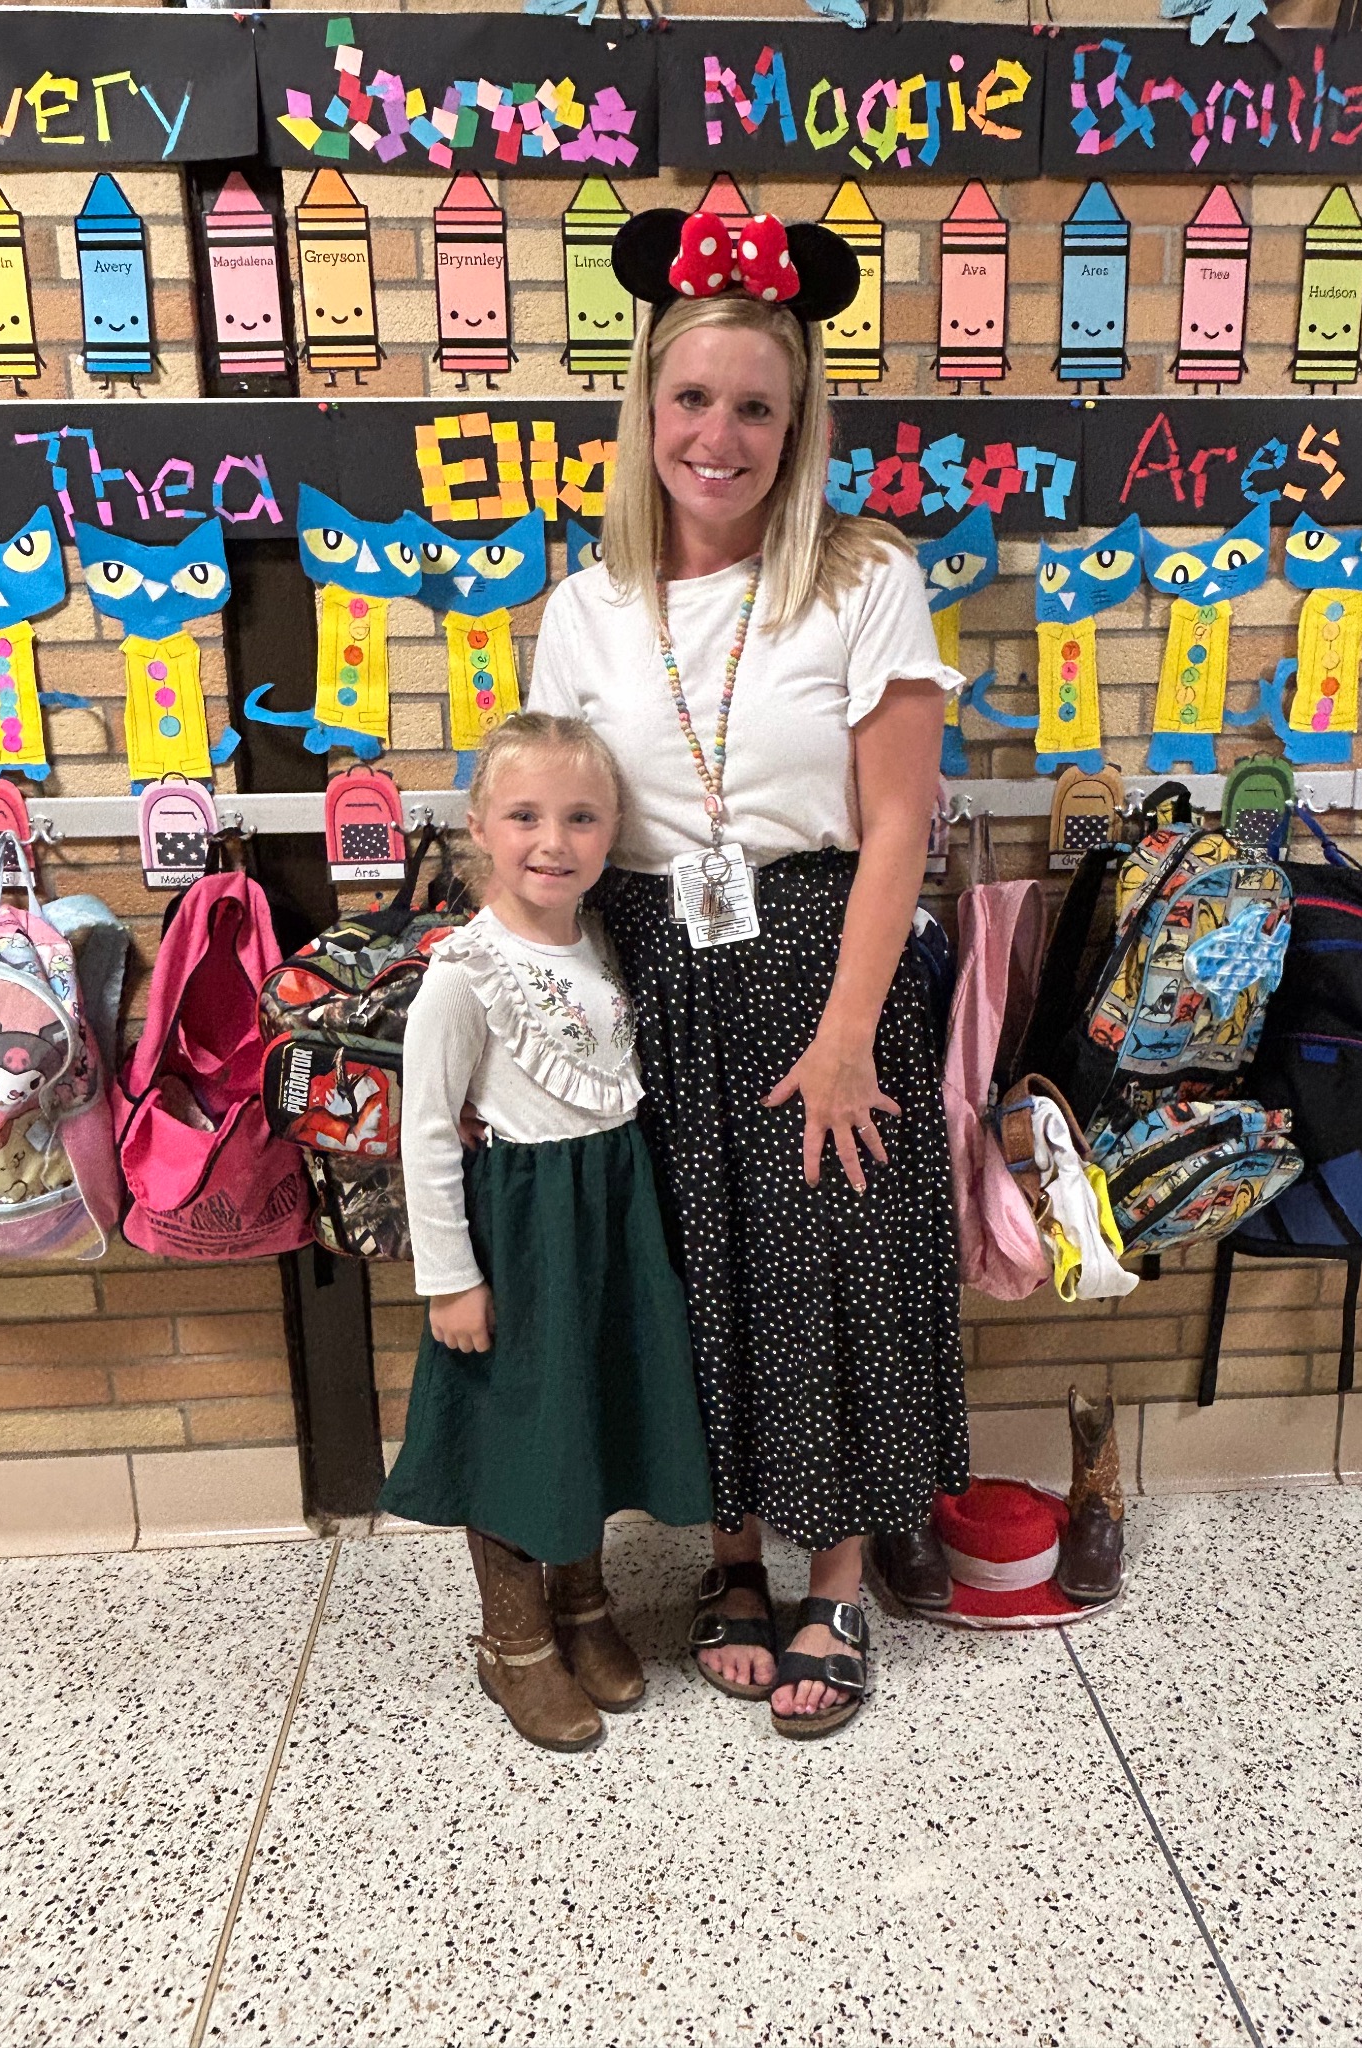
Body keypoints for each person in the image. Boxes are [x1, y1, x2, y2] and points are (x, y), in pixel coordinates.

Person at [527, 205, 970, 1741]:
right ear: (647, 405)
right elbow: (557, 829)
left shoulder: (863, 577)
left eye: (757, 409)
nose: (719, 438)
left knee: (830, 1258)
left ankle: (834, 1576)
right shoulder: (583, 610)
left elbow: (900, 821)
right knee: (697, 1269)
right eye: (693, 398)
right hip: (650, 965)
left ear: (798, 425)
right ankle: (730, 1558)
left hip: (824, 958)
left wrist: (848, 1033)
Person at [380, 712, 712, 1753]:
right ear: (480, 824)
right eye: (524, 815)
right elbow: (426, 1130)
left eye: (580, 818)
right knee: (519, 1430)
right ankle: (514, 1642)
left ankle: (584, 1604)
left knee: (587, 1411)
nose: (552, 841)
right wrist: (450, 1278)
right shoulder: (464, 971)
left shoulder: (603, 940)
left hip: (610, 1215)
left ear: (613, 832)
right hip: (523, 1229)